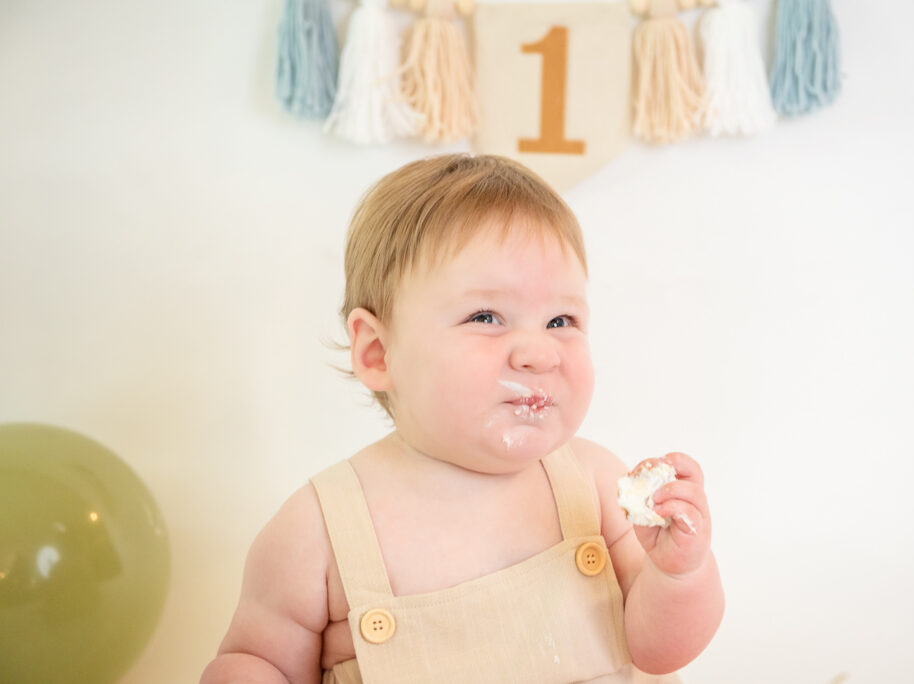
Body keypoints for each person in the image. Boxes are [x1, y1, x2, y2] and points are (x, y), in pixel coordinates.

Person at [200, 154, 724, 684]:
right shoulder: (317, 529)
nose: (538, 353)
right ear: (379, 353)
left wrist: (680, 574)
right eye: (486, 317)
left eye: (560, 320)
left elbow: (660, 653)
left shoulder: (595, 484)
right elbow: (258, 662)